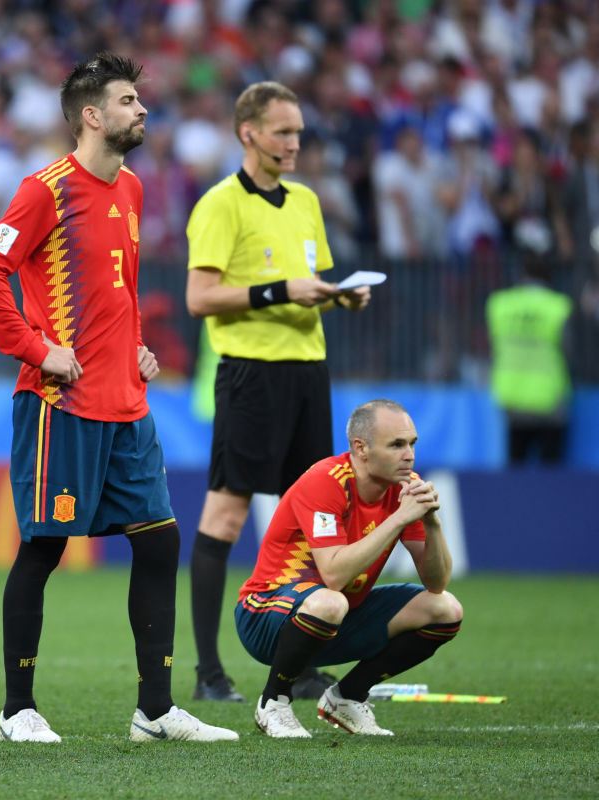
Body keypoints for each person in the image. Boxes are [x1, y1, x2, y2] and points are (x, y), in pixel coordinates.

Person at [0, 53, 238, 745]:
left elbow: (122, 288)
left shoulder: (134, 190)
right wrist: (37, 348)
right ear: (92, 115)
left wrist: (138, 345)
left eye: (140, 99)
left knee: (159, 541)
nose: (142, 109)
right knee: (44, 546)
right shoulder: (43, 190)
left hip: (127, 402)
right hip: (62, 404)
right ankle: (16, 709)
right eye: (128, 100)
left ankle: (155, 709)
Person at [183, 80, 371, 703]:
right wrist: (279, 291)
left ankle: (306, 665)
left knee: (317, 524)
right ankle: (209, 673)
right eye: (283, 132)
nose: (294, 143)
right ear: (249, 133)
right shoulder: (219, 204)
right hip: (251, 376)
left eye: (298, 132)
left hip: (308, 372)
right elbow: (199, 297)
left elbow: (304, 281)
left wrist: (338, 293)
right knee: (226, 514)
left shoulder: (306, 202)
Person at [236, 399, 463, 738]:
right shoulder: (326, 481)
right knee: (331, 601)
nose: (409, 455)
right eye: (397, 445)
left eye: (412, 443)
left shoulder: (404, 487)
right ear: (361, 448)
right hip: (265, 615)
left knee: (445, 609)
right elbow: (335, 575)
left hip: (335, 617)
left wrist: (430, 521)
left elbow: (436, 582)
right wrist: (401, 517)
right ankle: (274, 702)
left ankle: (347, 697)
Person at [485, 253, 573, 465]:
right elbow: (570, 351)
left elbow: (492, 346)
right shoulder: (558, 306)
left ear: (521, 274)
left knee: (516, 469)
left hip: (512, 397)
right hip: (549, 400)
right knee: (552, 473)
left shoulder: (500, 304)